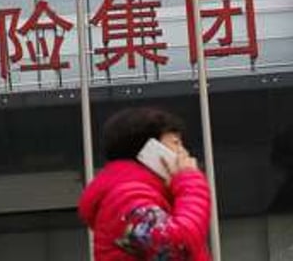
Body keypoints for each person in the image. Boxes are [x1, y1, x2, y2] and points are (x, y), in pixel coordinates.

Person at [78, 106, 211, 260]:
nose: (185, 154)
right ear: (150, 151)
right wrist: (191, 183)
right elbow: (176, 246)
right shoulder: (125, 198)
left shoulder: (140, 195)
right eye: (176, 143)